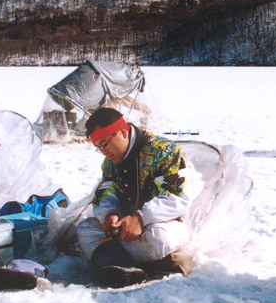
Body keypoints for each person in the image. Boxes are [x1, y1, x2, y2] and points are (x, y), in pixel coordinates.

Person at [75, 108, 202, 288]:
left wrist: (142, 218)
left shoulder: (164, 152)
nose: (104, 152)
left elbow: (179, 195)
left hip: (164, 224)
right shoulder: (110, 163)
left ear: (123, 132)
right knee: (85, 227)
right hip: (127, 226)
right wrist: (110, 214)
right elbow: (105, 192)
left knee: (159, 239)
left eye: (105, 144)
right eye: (99, 148)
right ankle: (121, 267)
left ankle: (109, 257)